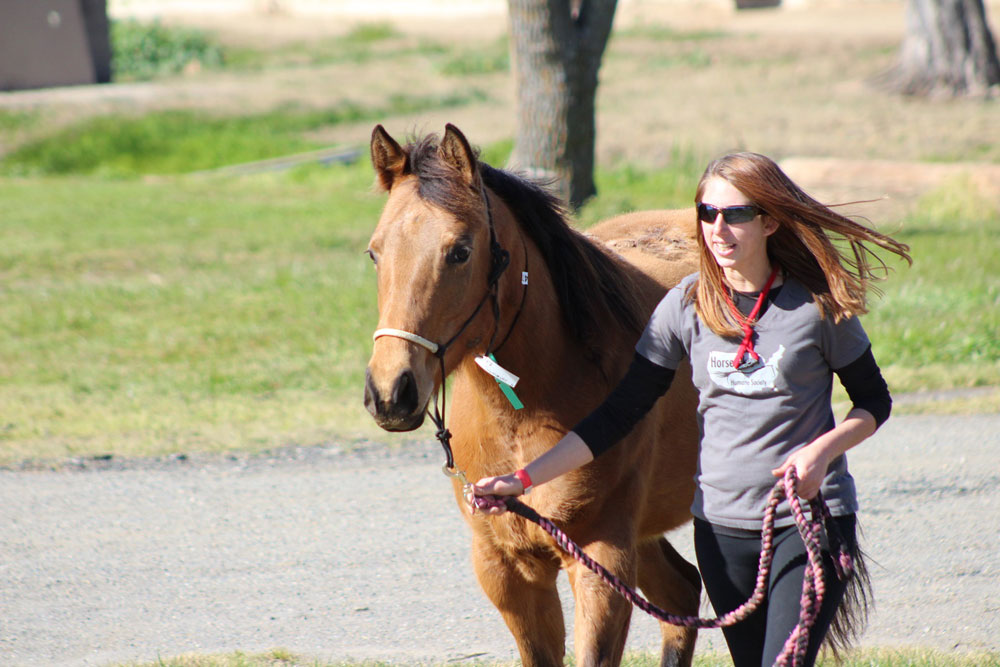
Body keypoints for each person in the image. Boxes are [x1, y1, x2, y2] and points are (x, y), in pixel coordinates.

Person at [472, 152, 912, 667]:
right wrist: (522, 480)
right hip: (721, 531)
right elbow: (618, 414)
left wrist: (821, 453)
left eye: (737, 215)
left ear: (770, 220)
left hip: (807, 522)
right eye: (707, 214)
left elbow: (873, 402)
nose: (718, 230)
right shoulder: (686, 305)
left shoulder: (815, 308)